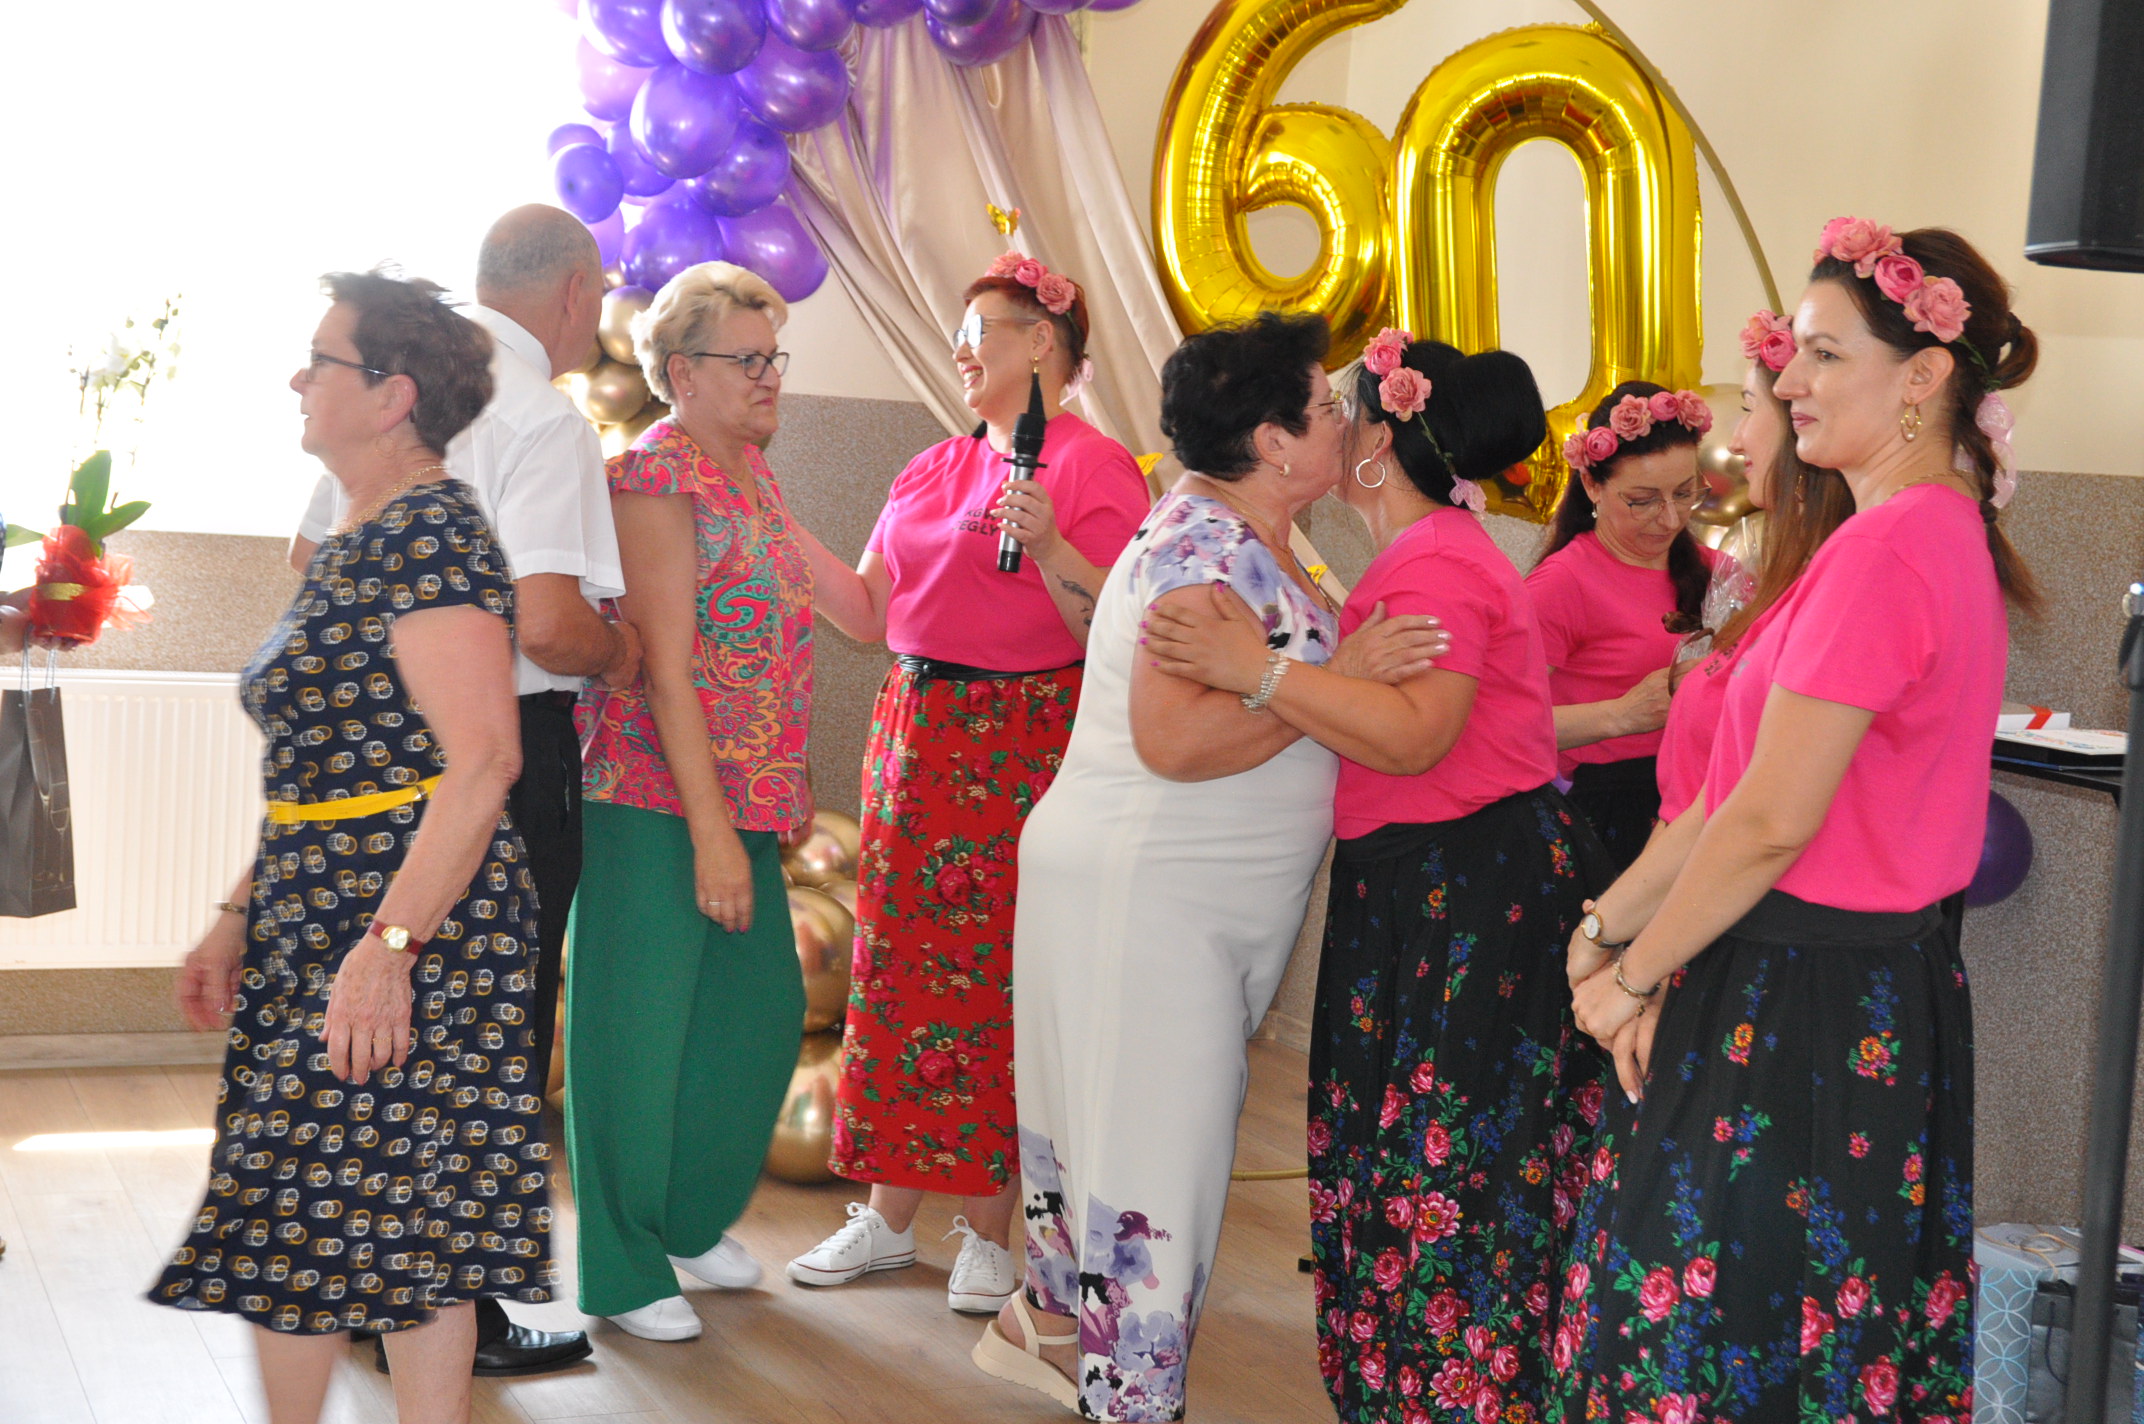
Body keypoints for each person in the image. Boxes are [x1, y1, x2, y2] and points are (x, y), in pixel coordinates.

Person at [1561, 223, 2039, 1422]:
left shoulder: (1891, 545)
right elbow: (1727, 796)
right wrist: (1603, 931)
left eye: (1824, 355)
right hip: (1821, 981)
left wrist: (1635, 971)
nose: (1786, 383)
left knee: (1724, 1336)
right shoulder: (1903, 533)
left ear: (1921, 376)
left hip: (1805, 997)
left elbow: (1770, 819)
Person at [968, 312, 1447, 1420]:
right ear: (1272, 441)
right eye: (1323, 407)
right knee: (1155, 1164)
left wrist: (1313, 681)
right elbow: (1174, 741)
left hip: (1167, 894)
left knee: (1110, 1137)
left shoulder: (1257, 532)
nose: (1342, 421)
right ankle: (1128, 1401)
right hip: (1148, 895)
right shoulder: (1202, 549)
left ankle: (1045, 1325)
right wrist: (1325, 684)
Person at [1145, 330, 1613, 1423]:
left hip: (1467, 893)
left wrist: (1257, 671)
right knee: (1422, 1157)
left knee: (1455, 1166)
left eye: (1342, 407)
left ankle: (1451, 1395)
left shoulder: (1437, 561)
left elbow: (1413, 736)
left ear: (1384, 440)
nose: (1330, 424)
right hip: (1437, 885)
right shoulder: (1424, 553)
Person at [155, 270, 551, 1424]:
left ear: (391, 395)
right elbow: (322, 772)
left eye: (320, 358)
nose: (297, 377)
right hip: (318, 911)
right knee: (310, 1217)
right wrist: (237, 913)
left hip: (410, 922)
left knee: (392, 1224)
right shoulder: (354, 534)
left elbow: (484, 761)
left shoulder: (432, 533)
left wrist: (389, 947)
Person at [289, 205, 635, 1376]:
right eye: (600, 297)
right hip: (497, 750)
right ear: (576, 291)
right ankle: (457, 1319)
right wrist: (621, 652)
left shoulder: (400, 391)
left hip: (374, 753)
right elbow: (548, 621)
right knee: (484, 1039)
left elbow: (309, 560)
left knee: (375, 1020)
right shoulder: (540, 414)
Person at [783, 252, 1151, 1316]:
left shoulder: (1095, 468)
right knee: (898, 971)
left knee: (997, 978)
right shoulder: (929, 467)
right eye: (960, 332)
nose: (961, 349)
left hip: (1021, 740)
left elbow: (1117, 627)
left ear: (1042, 342)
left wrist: (1052, 548)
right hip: (916, 733)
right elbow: (865, 612)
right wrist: (774, 522)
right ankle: (887, 1215)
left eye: (980, 329)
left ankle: (990, 1229)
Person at [567, 261, 811, 1342]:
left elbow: (771, 646)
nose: (768, 377)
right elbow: (664, 670)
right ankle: (622, 1265)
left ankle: (680, 1217)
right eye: (745, 359)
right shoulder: (653, 478)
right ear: (681, 371)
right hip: (650, 800)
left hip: (742, 800)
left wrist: (779, 775)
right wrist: (710, 832)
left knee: (753, 1020)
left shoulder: (750, 476)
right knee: (636, 1036)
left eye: (773, 357)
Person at [1651, 312, 1854, 826]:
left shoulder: (1837, 584)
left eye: (1748, 409)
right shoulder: (1776, 568)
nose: (1736, 440)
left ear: (1799, 421)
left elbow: (1765, 814)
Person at [1525, 382, 1719, 871]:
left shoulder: (1720, 574)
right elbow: (1495, 727)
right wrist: (1621, 715)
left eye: (1685, 493)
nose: (1669, 518)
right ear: (1592, 485)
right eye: (1642, 500)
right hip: (1605, 813)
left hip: (1702, 799)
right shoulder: (1563, 582)